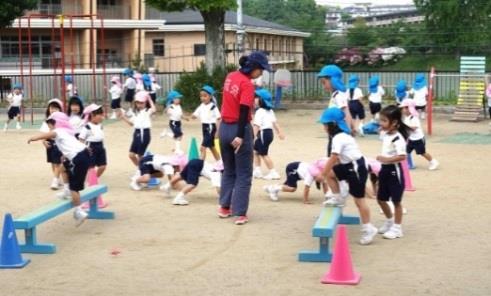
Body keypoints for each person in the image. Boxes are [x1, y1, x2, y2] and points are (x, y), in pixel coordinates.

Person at [218, 51, 271, 225]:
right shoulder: (247, 84)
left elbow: (226, 101)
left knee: (228, 170)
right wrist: (240, 135)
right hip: (238, 129)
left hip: (224, 128)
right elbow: (243, 111)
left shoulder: (230, 76)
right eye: (261, 69)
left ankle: (224, 207)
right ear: (253, 68)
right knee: (244, 173)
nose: (261, 73)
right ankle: (240, 212)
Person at [320, 107, 377, 245]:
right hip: (349, 166)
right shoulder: (339, 136)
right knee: (332, 174)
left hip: (356, 167)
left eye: (325, 124)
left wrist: (322, 174)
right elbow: (338, 159)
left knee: (359, 200)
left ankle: (368, 228)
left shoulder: (339, 138)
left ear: (332, 125)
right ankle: (338, 198)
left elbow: (334, 158)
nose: (323, 127)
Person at [28, 112, 91, 225]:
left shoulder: (58, 131)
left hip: (78, 158)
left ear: (56, 123)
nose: (49, 126)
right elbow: (70, 146)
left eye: (50, 123)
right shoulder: (67, 132)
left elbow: (46, 135)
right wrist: (64, 155)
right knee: (63, 167)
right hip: (83, 153)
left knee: (74, 187)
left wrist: (33, 138)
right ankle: (66, 190)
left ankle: (79, 211)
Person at [376, 105, 411, 239]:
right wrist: (383, 128)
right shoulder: (386, 134)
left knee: (396, 201)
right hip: (384, 170)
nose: (381, 123)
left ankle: (397, 228)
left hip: (394, 171)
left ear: (395, 123)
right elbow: (381, 134)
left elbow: (402, 156)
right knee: (381, 199)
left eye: (384, 121)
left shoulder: (398, 139)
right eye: (381, 120)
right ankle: (390, 221)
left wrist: (386, 159)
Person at [263, 158, 329, 204]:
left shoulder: (321, 174)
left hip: (298, 169)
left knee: (288, 185)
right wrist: (305, 200)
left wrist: (328, 198)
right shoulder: (311, 175)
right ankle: (273, 189)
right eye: (321, 179)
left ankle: (270, 187)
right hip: (293, 168)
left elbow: (325, 186)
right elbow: (306, 189)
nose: (322, 180)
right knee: (292, 188)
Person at [120, 91, 156, 175]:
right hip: (136, 133)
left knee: (140, 156)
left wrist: (149, 98)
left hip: (145, 133)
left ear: (145, 103)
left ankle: (143, 172)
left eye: (142, 103)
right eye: (138, 103)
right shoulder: (135, 113)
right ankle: (141, 169)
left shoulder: (147, 111)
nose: (139, 104)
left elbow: (154, 109)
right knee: (131, 155)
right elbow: (131, 124)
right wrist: (123, 117)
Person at [252, 88, 285, 180]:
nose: (254, 99)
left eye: (256, 97)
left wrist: (252, 137)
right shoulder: (270, 111)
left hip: (263, 134)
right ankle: (257, 171)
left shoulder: (259, 112)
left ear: (261, 100)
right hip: (268, 134)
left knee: (263, 154)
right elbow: (275, 123)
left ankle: (273, 172)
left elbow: (256, 126)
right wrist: (279, 132)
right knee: (255, 151)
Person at [400, 99, 439, 170]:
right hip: (411, 139)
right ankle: (410, 164)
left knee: (422, 152)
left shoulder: (414, 118)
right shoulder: (406, 118)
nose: (402, 110)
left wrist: (404, 127)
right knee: (406, 151)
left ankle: (433, 161)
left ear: (408, 108)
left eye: (403, 108)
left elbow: (414, 128)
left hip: (418, 139)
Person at [191, 85, 222, 161]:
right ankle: (220, 163)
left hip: (210, 127)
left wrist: (218, 131)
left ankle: (201, 165)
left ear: (210, 96)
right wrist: (192, 116)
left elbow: (219, 118)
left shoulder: (213, 106)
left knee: (203, 147)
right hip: (204, 127)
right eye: (201, 96)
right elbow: (195, 114)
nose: (202, 98)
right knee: (212, 147)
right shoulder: (201, 106)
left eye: (205, 96)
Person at [40, 98, 65, 190]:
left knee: (58, 162)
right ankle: (57, 179)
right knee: (53, 163)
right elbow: (43, 134)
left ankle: (55, 180)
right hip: (49, 144)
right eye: (51, 108)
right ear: (48, 109)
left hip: (58, 144)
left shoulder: (62, 121)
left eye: (56, 108)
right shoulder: (46, 121)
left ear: (60, 110)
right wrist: (43, 142)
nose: (53, 110)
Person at [161, 90, 187, 154]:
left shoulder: (179, 106)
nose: (179, 99)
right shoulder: (171, 106)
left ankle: (167, 134)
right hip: (173, 123)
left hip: (178, 122)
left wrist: (185, 118)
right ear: (172, 99)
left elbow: (180, 115)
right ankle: (178, 150)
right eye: (177, 98)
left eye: (179, 98)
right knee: (180, 135)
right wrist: (167, 107)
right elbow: (165, 112)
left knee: (177, 136)